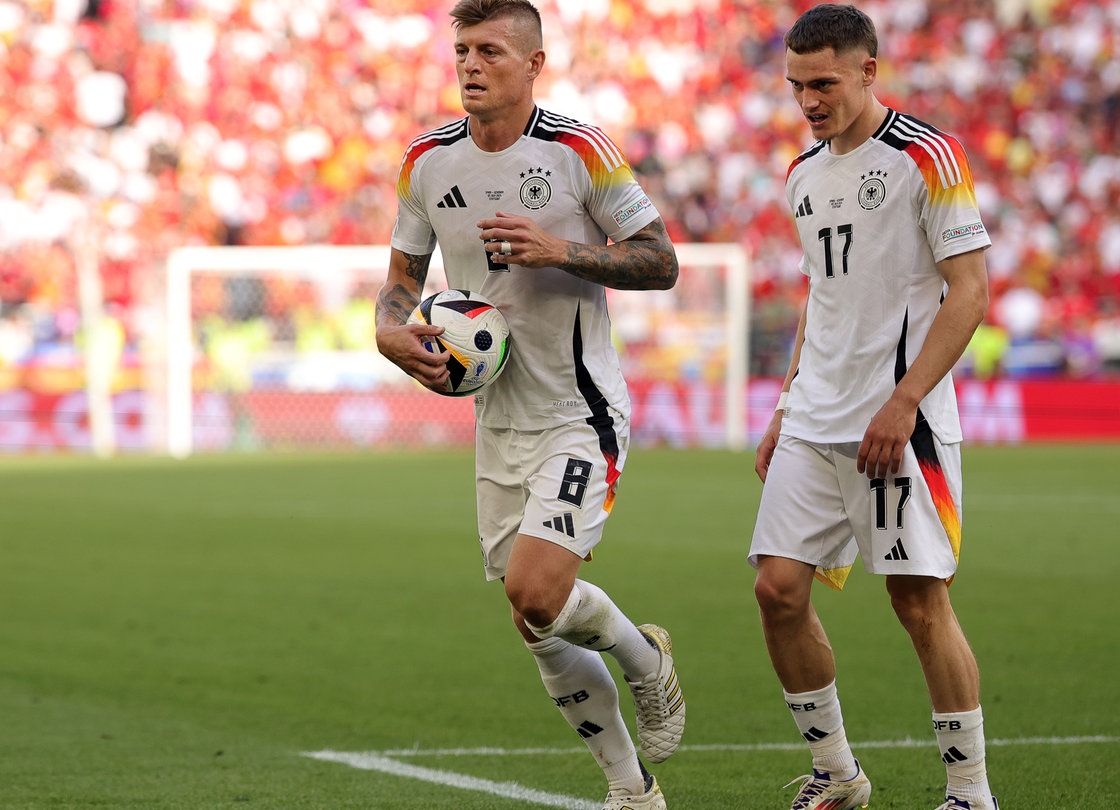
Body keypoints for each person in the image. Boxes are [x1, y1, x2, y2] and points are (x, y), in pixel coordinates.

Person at [374, 2, 684, 808]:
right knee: (532, 620)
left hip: (580, 412)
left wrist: (562, 250)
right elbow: (403, 279)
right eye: (462, 50)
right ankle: (631, 790)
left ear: (535, 64)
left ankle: (644, 658)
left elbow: (660, 260)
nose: (471, 65)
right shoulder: (427, 163)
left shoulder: (579, 151)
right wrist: (388, 333)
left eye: (490, 52)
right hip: (498, 420)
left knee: (537, 592)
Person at [749, 5, 997, 810]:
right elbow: (823, 297)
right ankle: (838, 774)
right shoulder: (801, 174)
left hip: (895, 419)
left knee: (918, 601)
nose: (809, 100)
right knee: (776, 589)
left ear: (866, 70)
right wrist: (787, 401)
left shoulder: (927, 157)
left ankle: (970, 790)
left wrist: (906, 400)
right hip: (814, 416)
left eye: (823, 83)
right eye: (797, 86)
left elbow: (970, 293)